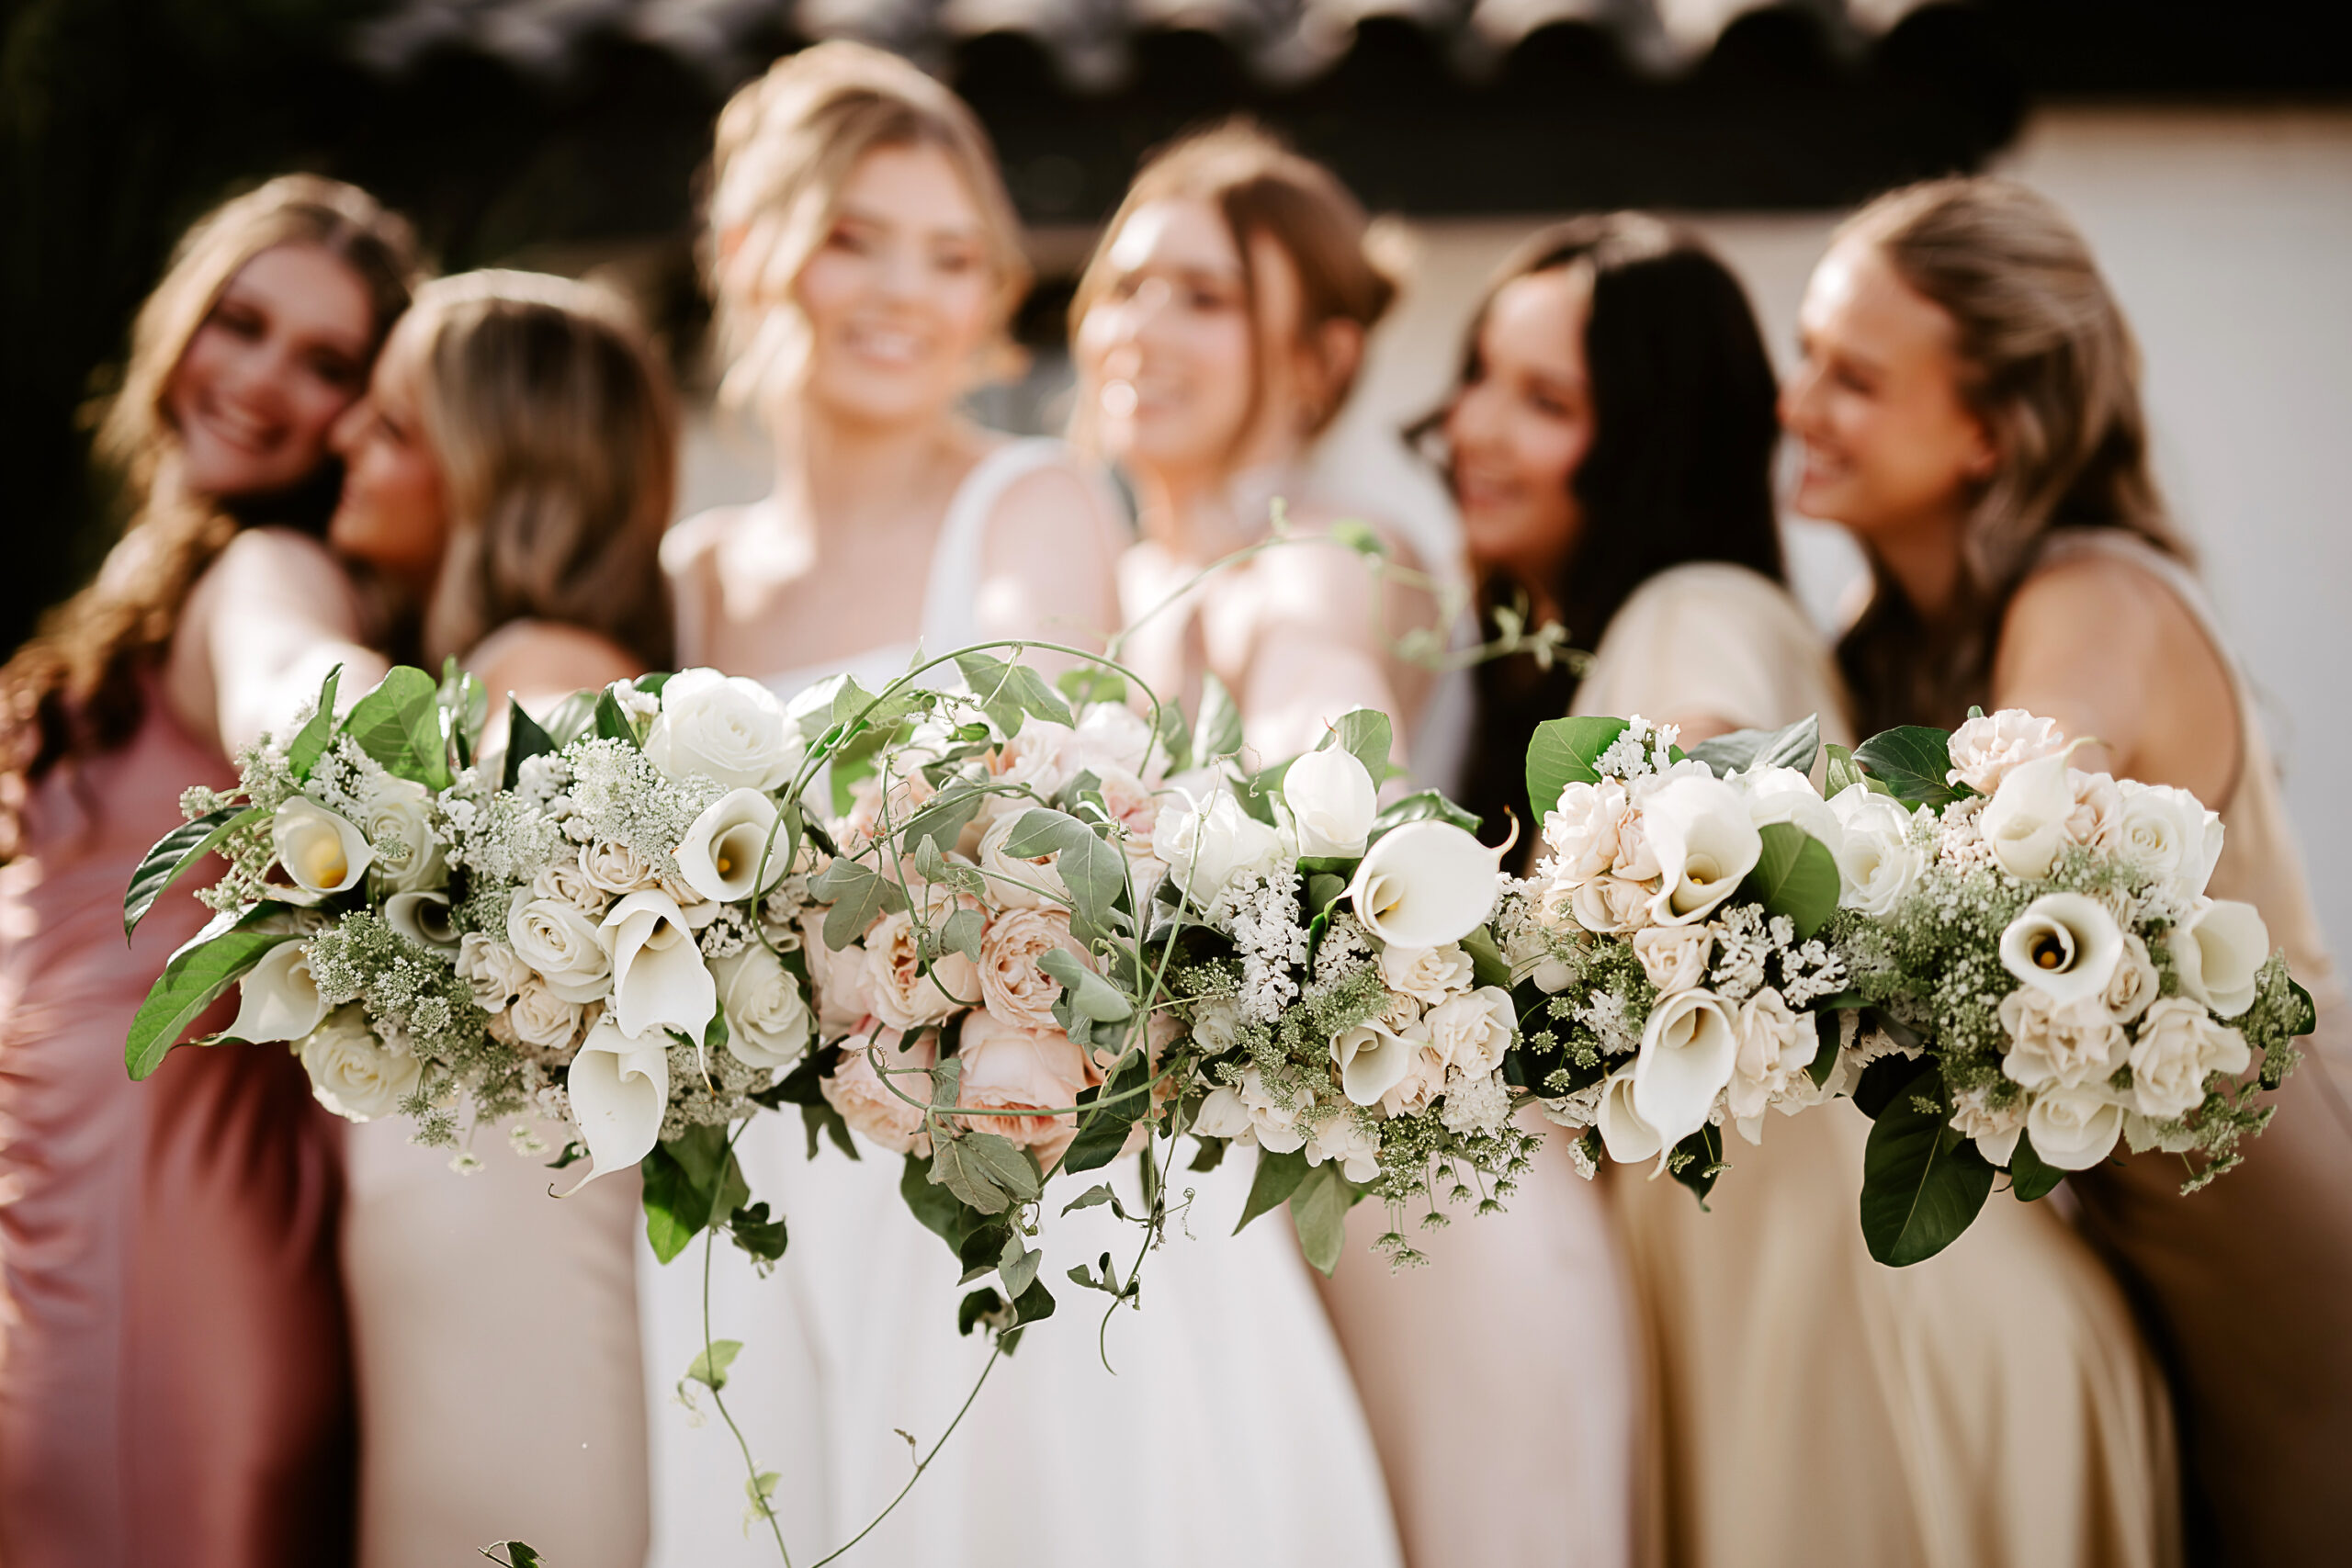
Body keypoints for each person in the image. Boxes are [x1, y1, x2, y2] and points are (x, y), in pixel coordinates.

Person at [1443, 211, 2180, 1568]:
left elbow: (1696, 741)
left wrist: (1654, 831)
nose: (1473, 428)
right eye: (1478, 374)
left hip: (1870, 1336)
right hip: (1798, 1321)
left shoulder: (1696, 605)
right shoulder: (1792, 634)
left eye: (1543, 398)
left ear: (1653, 437)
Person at [649, 43, 1289, 1567]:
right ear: (754, 253)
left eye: (951, 256)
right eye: (856, 237)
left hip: (998, 1154)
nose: (905, 293)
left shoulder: (1032, 504)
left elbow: (1037, 759)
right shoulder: (688, 574)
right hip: (759, 1180)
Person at [1786, 175, 2352, 1568]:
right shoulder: (1874, 656)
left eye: (1852, 378)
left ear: (1989, 429)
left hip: (2271, 1243)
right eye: (1807, 356)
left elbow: (2008, 843)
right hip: (2114, 1233)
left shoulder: (2090, 596)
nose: (1799, 403)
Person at [1072, 123, 1607, 1568]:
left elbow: (1326, 728)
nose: (1136, 327)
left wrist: (1312, 791)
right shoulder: (1102, 582)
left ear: (1311, 358)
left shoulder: (1329, 555)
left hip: (1418, 1199)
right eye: (1121, 287)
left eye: (1201, 295)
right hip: (1237, 1216)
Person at [0, 175, 419, 1568]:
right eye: (239, 321)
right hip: (53, 1249)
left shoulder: (266, 568)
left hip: (165, 1268)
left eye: (324, 362)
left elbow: (295, 688)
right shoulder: (148, 573)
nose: (258, 381)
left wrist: (373, 726)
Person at [323, 268, 674, 1568]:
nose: (346, 442)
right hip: (450, 1260)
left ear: (498, 476)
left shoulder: (558, 683)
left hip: (511, 1273)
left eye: (396, 426)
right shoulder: (496, 672)